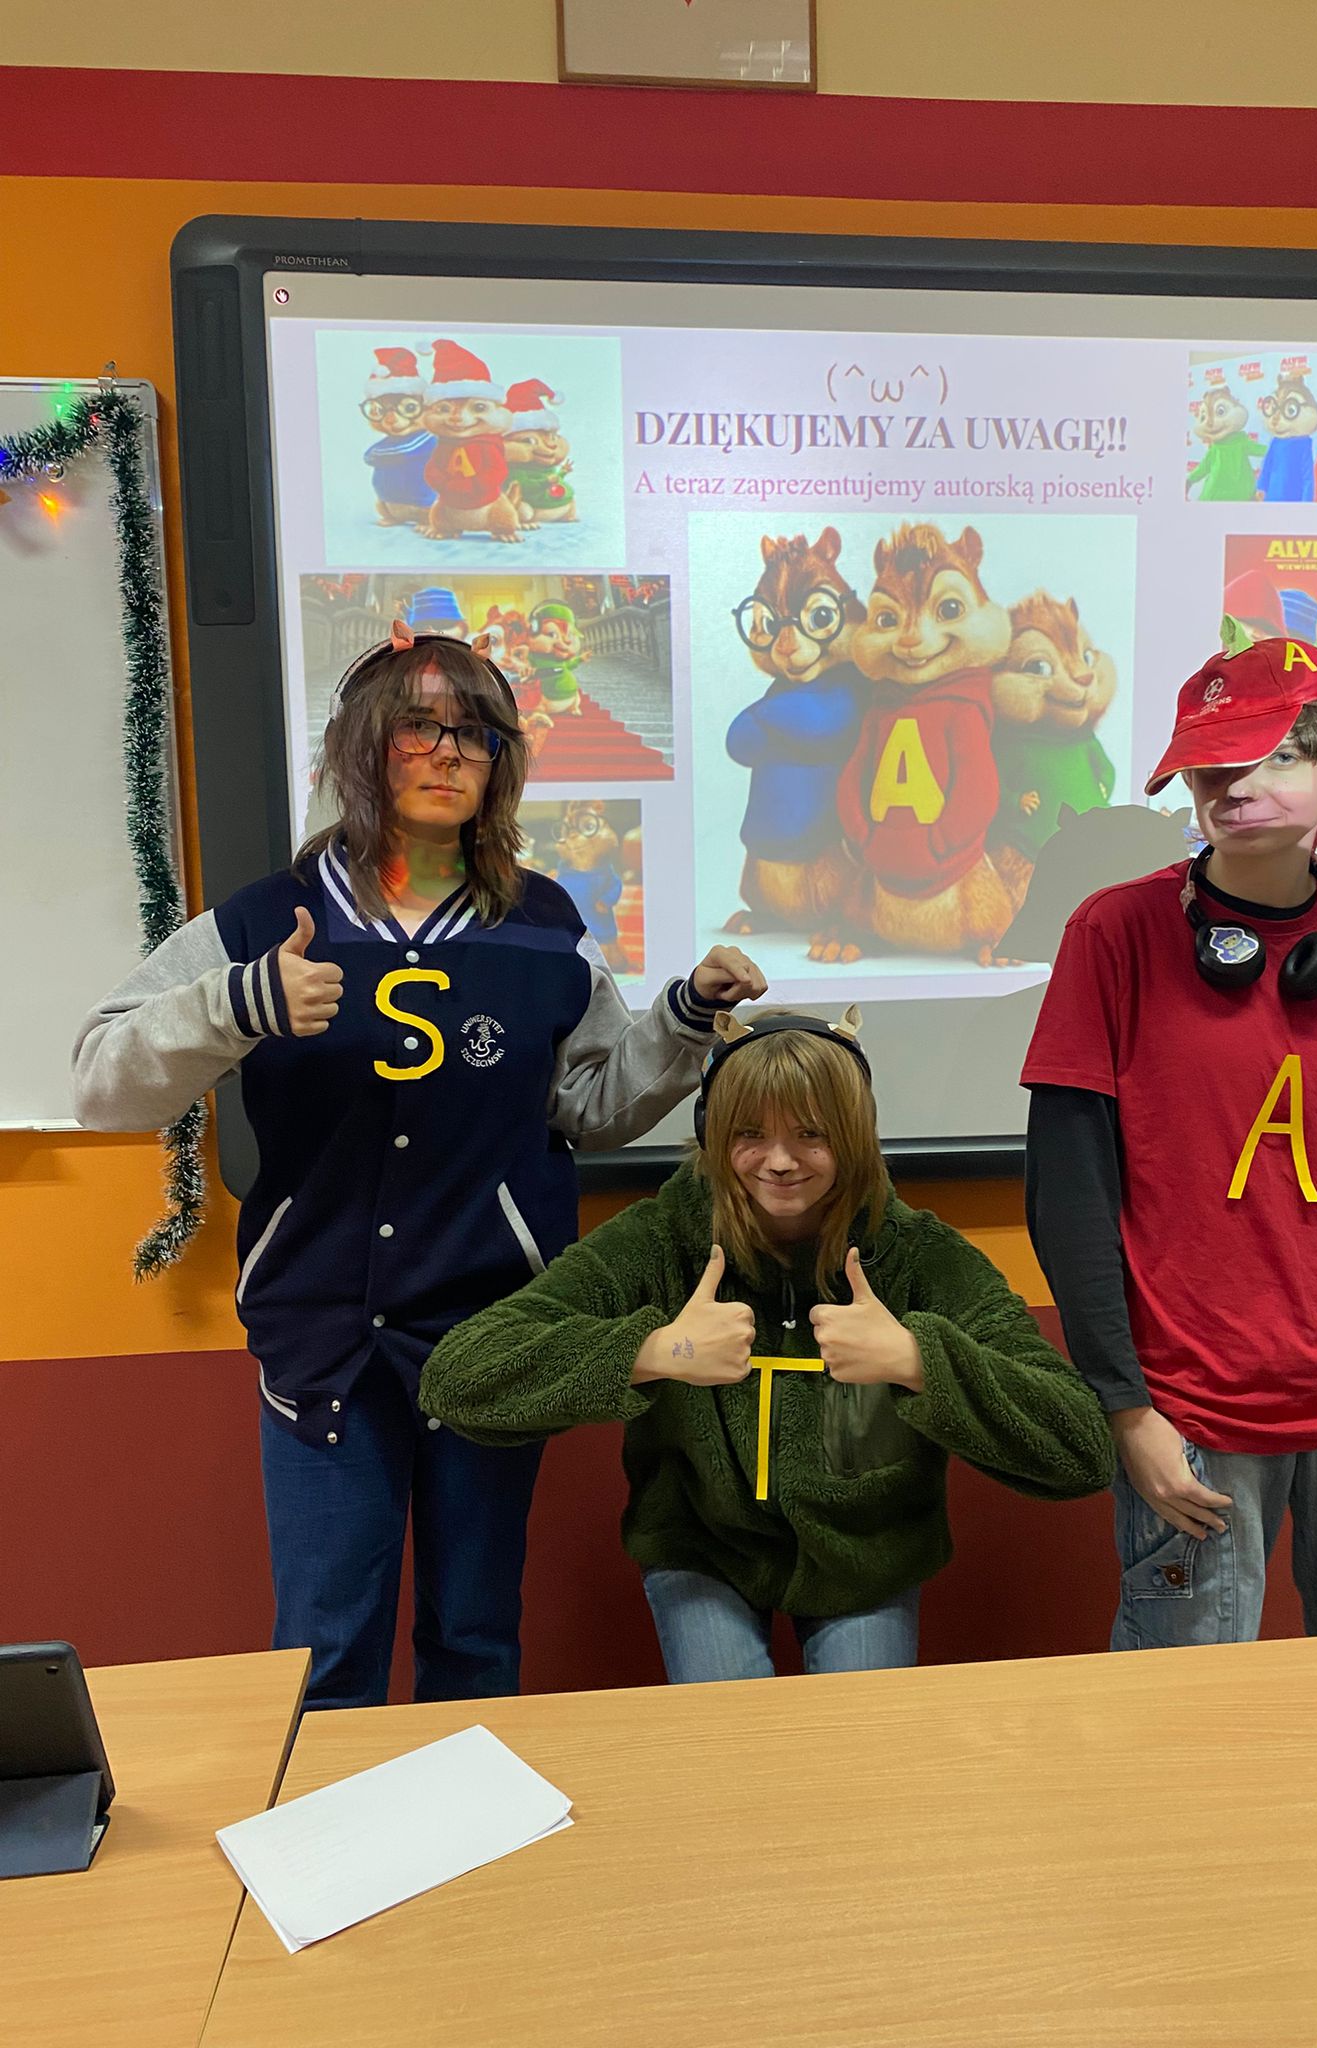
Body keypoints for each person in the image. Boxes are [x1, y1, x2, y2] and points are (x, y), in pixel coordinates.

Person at [72, 622, 765, 1708]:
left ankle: (471, 1821)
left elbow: (590, 1103)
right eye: (418, 728)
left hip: (495, 1340)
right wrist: (237, 1002)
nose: (448, 752)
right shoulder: (266, 921)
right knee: (324, 1652)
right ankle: (325, 1823)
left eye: (475, 732)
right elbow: (101, 1081)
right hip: (325, 1349)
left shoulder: (542, 924)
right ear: (362, 746)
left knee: (476, 1638)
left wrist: (681, 1016)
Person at [1021, 623, 1317, 1648]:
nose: (1235, 785)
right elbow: (1068, 1194)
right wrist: (1126, 1410)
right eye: (1211, 765)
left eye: (1278, 755)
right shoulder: (1112, 935)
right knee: (1183, 1724)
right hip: (1190, 1417)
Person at [419, 1009, 1114, 1685]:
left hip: (869, 1556)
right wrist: (655, 1351)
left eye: (811, 1134)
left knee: (856, 1745)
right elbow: (458, 1377)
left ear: (855, 1136)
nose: (779, 1162)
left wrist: (916, 1361)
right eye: (749, 1134)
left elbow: (1079, 1448)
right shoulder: (658, 1239)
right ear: (711, 1131)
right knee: (734, 1740)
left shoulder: (918, 1255)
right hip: (702, 1548)